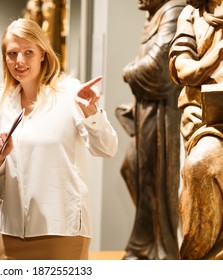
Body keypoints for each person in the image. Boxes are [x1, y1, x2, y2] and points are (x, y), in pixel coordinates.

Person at [0, 18, 118, 260]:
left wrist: (91, 113)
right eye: (12, 54)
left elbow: (107, 148)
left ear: (42, 54)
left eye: (28, 52)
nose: (20, 61)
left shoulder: (69, 93)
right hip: (12, 229)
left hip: (61, 228)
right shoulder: (5, 101)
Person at [116, 0, 185, 260]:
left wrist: (128, 71)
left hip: (164, 111)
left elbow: (159, 65)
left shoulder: (174, 10)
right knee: (133, 168)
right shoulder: (154, 16)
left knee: (157, 176)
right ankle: (143, 242)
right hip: (146, 108)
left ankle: (160, 247)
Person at [169, 0, 223, 259]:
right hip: (208, 120)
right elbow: (183, 69)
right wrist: (214, 57)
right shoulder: (191, 16)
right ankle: (199, 260)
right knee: (199, 165)